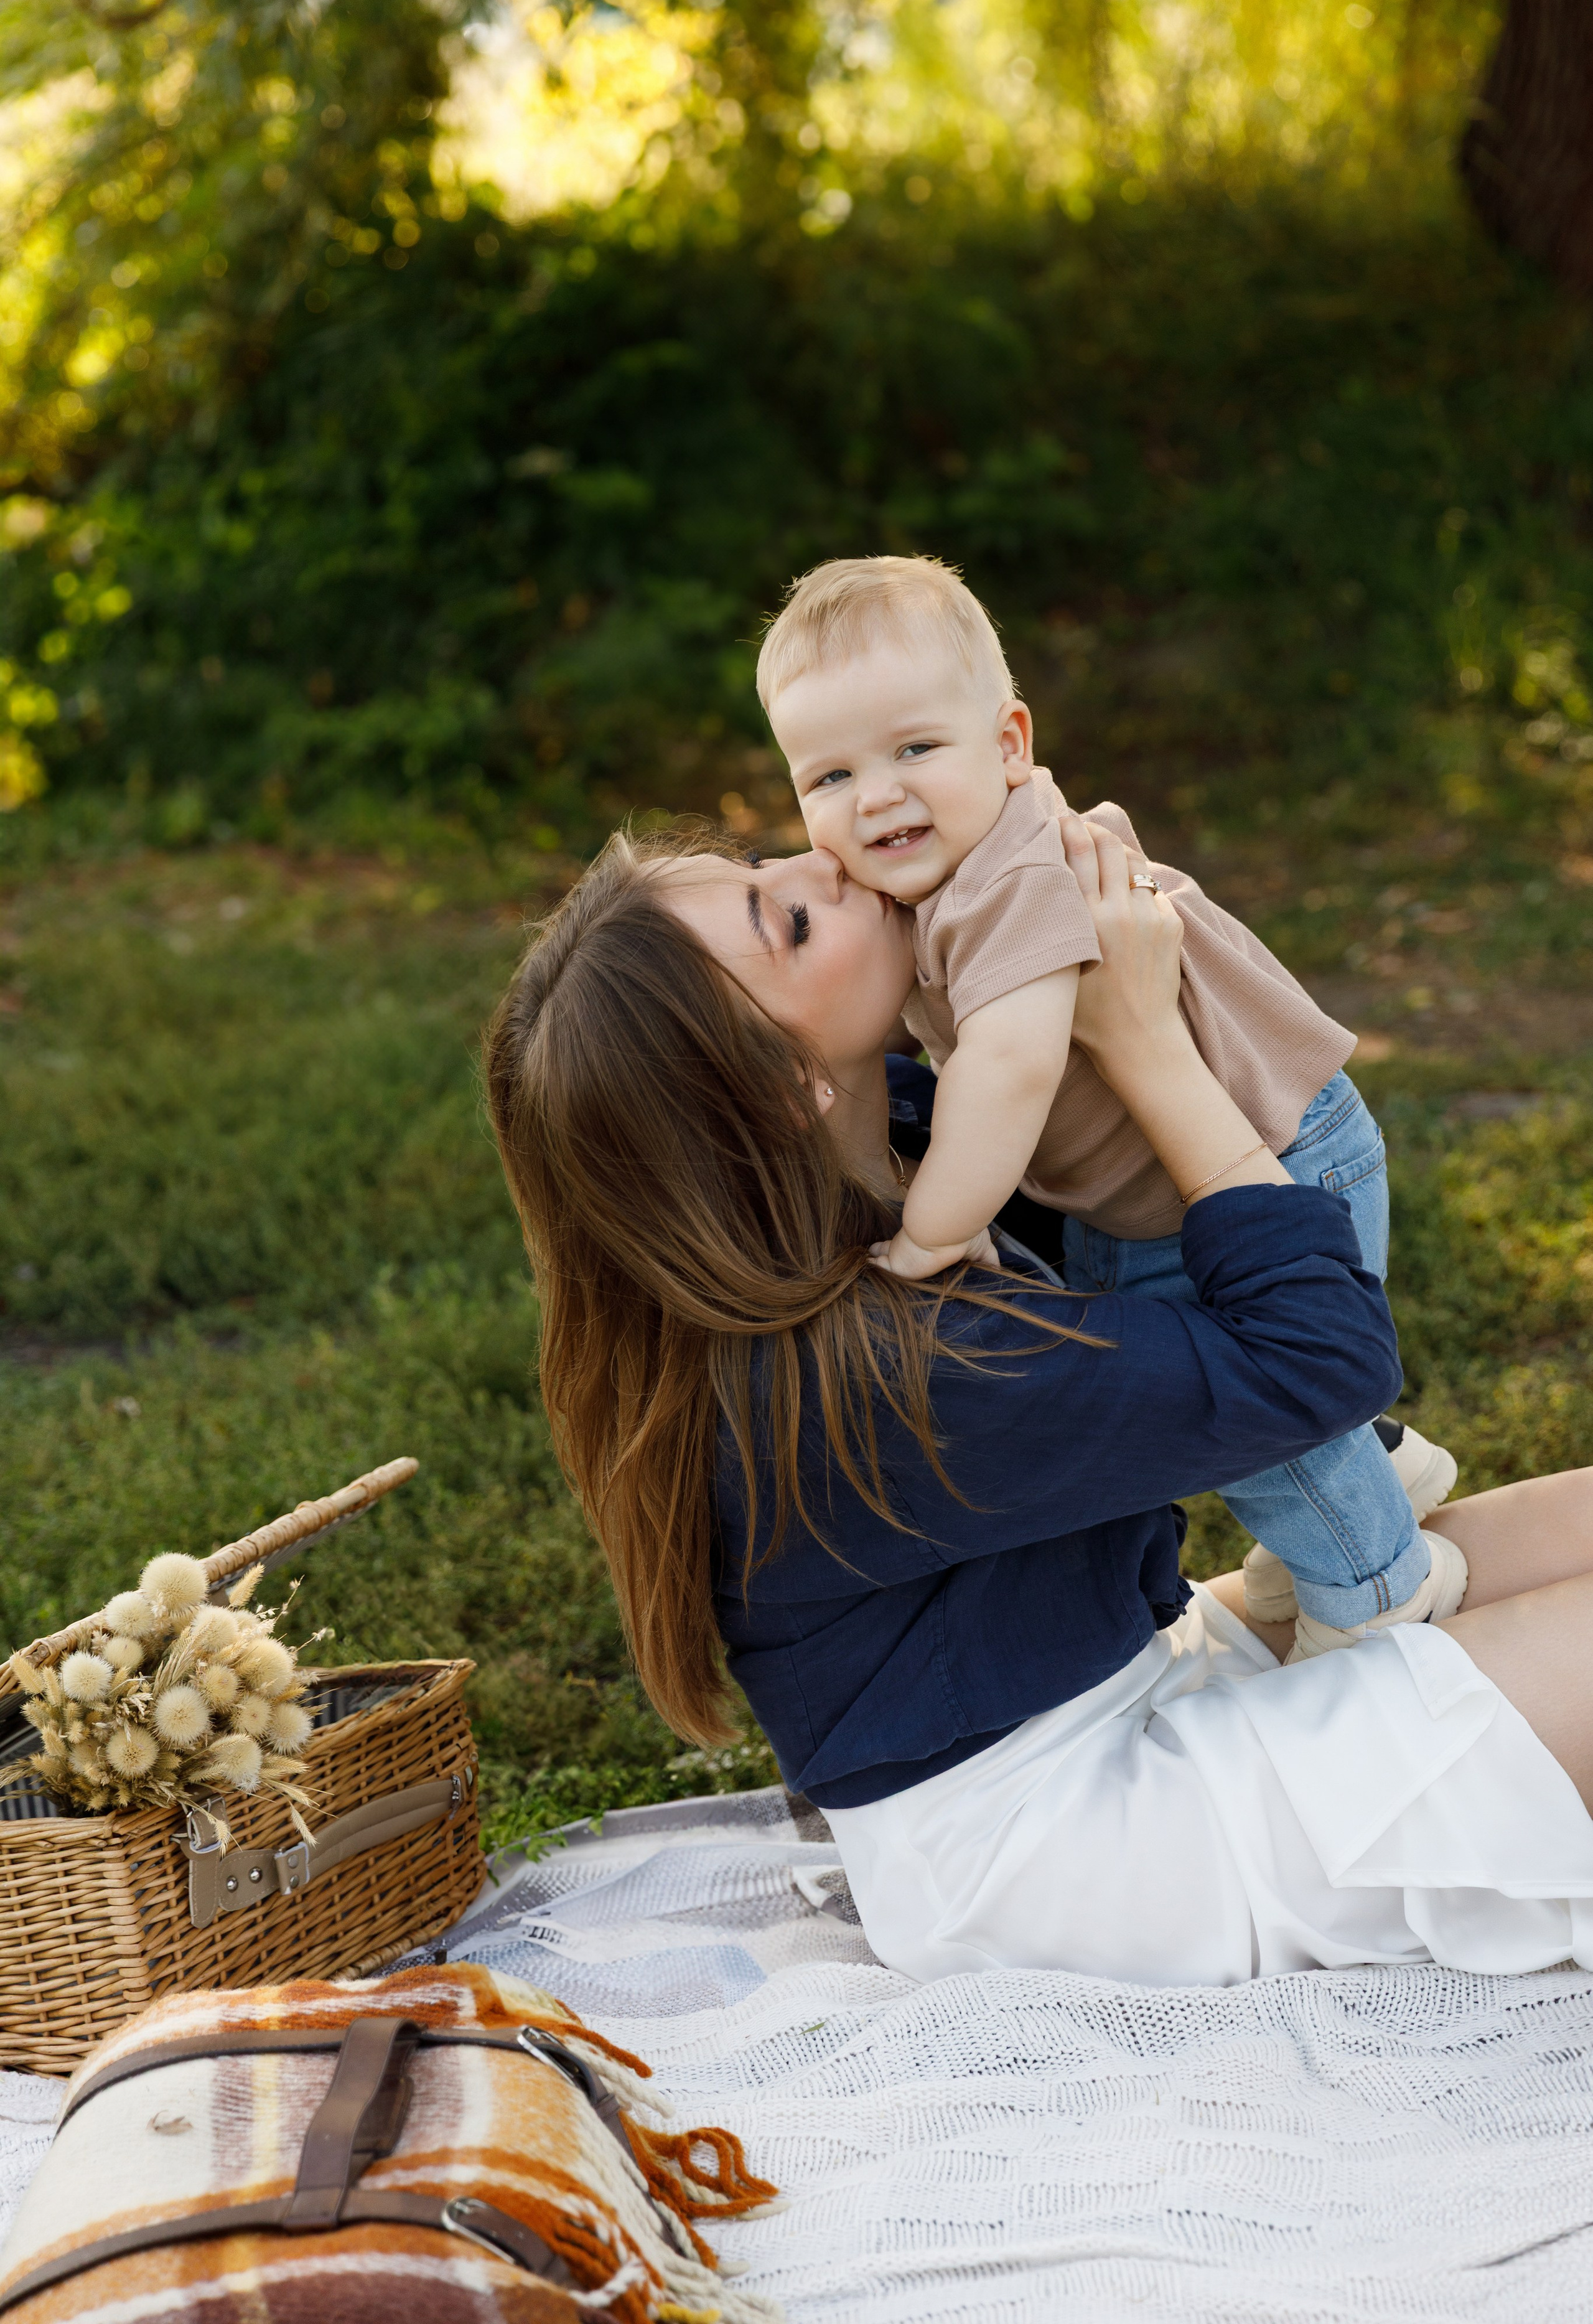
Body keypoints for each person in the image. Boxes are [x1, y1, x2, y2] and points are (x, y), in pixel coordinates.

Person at [485, 812, 1593, 1989]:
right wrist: (1147, 1046)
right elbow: (1320, 1362)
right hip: (1067, 1851)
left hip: (1119, 1688)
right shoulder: (883, 1374)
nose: (823, 861)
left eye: (765, 866)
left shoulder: (906, 1150)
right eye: (791, 921)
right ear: (789, 1091)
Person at [757, 552, 1455, 1664]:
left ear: (1009, 744)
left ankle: (1378, 1593)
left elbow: (1010, 1066)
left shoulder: (1011, 881)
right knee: (1222, 1395)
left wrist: (933, 1230)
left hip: (1266, 1161)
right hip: (1181, 1183)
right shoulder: (954, 871)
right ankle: (1381, 1470)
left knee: (1249, 1416)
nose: (875, 796)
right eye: (828, 777)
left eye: (914, 749)